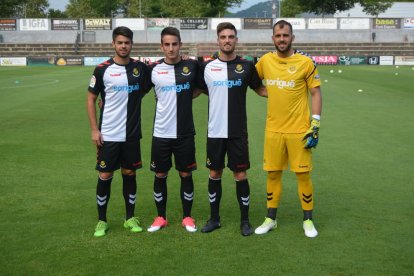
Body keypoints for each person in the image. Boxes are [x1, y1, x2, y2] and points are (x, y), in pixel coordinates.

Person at [254, 20, 322, 238]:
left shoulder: (305, 62)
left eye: (285, 35)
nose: (281, 39)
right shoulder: (265, 61)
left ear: (292, 37)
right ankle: (270, 219)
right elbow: (252, 81)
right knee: (273, 174)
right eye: (277, 35)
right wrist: (268, 93)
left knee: (303, 175)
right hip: (273, 130)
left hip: (299, 131)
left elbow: (316, 93)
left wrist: (316, 122)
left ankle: (308, 221)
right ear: (272, 38)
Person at [198, 22, 267, 236]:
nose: (227, 40)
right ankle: (214, 218)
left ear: (236, 40)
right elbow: (193, 90)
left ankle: (245, 221)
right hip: (215, 131)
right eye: (223, 37)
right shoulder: (206, 67)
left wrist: (290, 91)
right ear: (217, 40)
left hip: (237, 132)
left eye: (231, 36)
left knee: (240, 174)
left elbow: (261, 90)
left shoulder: (247, 67)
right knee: (214, 173)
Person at [86, 26, 151, 237]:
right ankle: (101, 220)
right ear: (113, 44)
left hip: (131, 134)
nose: (123, 46)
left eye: (127, 42)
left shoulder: (140, 69)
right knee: (105, 174)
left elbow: (152, 81)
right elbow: (91, 99)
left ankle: (129, 218)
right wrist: (95, 130)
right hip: (109, 134)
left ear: (132, 44)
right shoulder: (102, 69)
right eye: (120, 42)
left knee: (129, 173)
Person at [146, 27, 202, 233]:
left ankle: (188, 217)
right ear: (161, 46)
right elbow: (135, 90)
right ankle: (161, 217)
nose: (171, 48)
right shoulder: (152, 70)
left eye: (174, 44)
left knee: (185, 174)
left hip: (185, 132)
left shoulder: (191, 66)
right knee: (160, 174)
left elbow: (202, 87)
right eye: (167, 44)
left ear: (180, 44)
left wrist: (186, 95)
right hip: (161, 133)